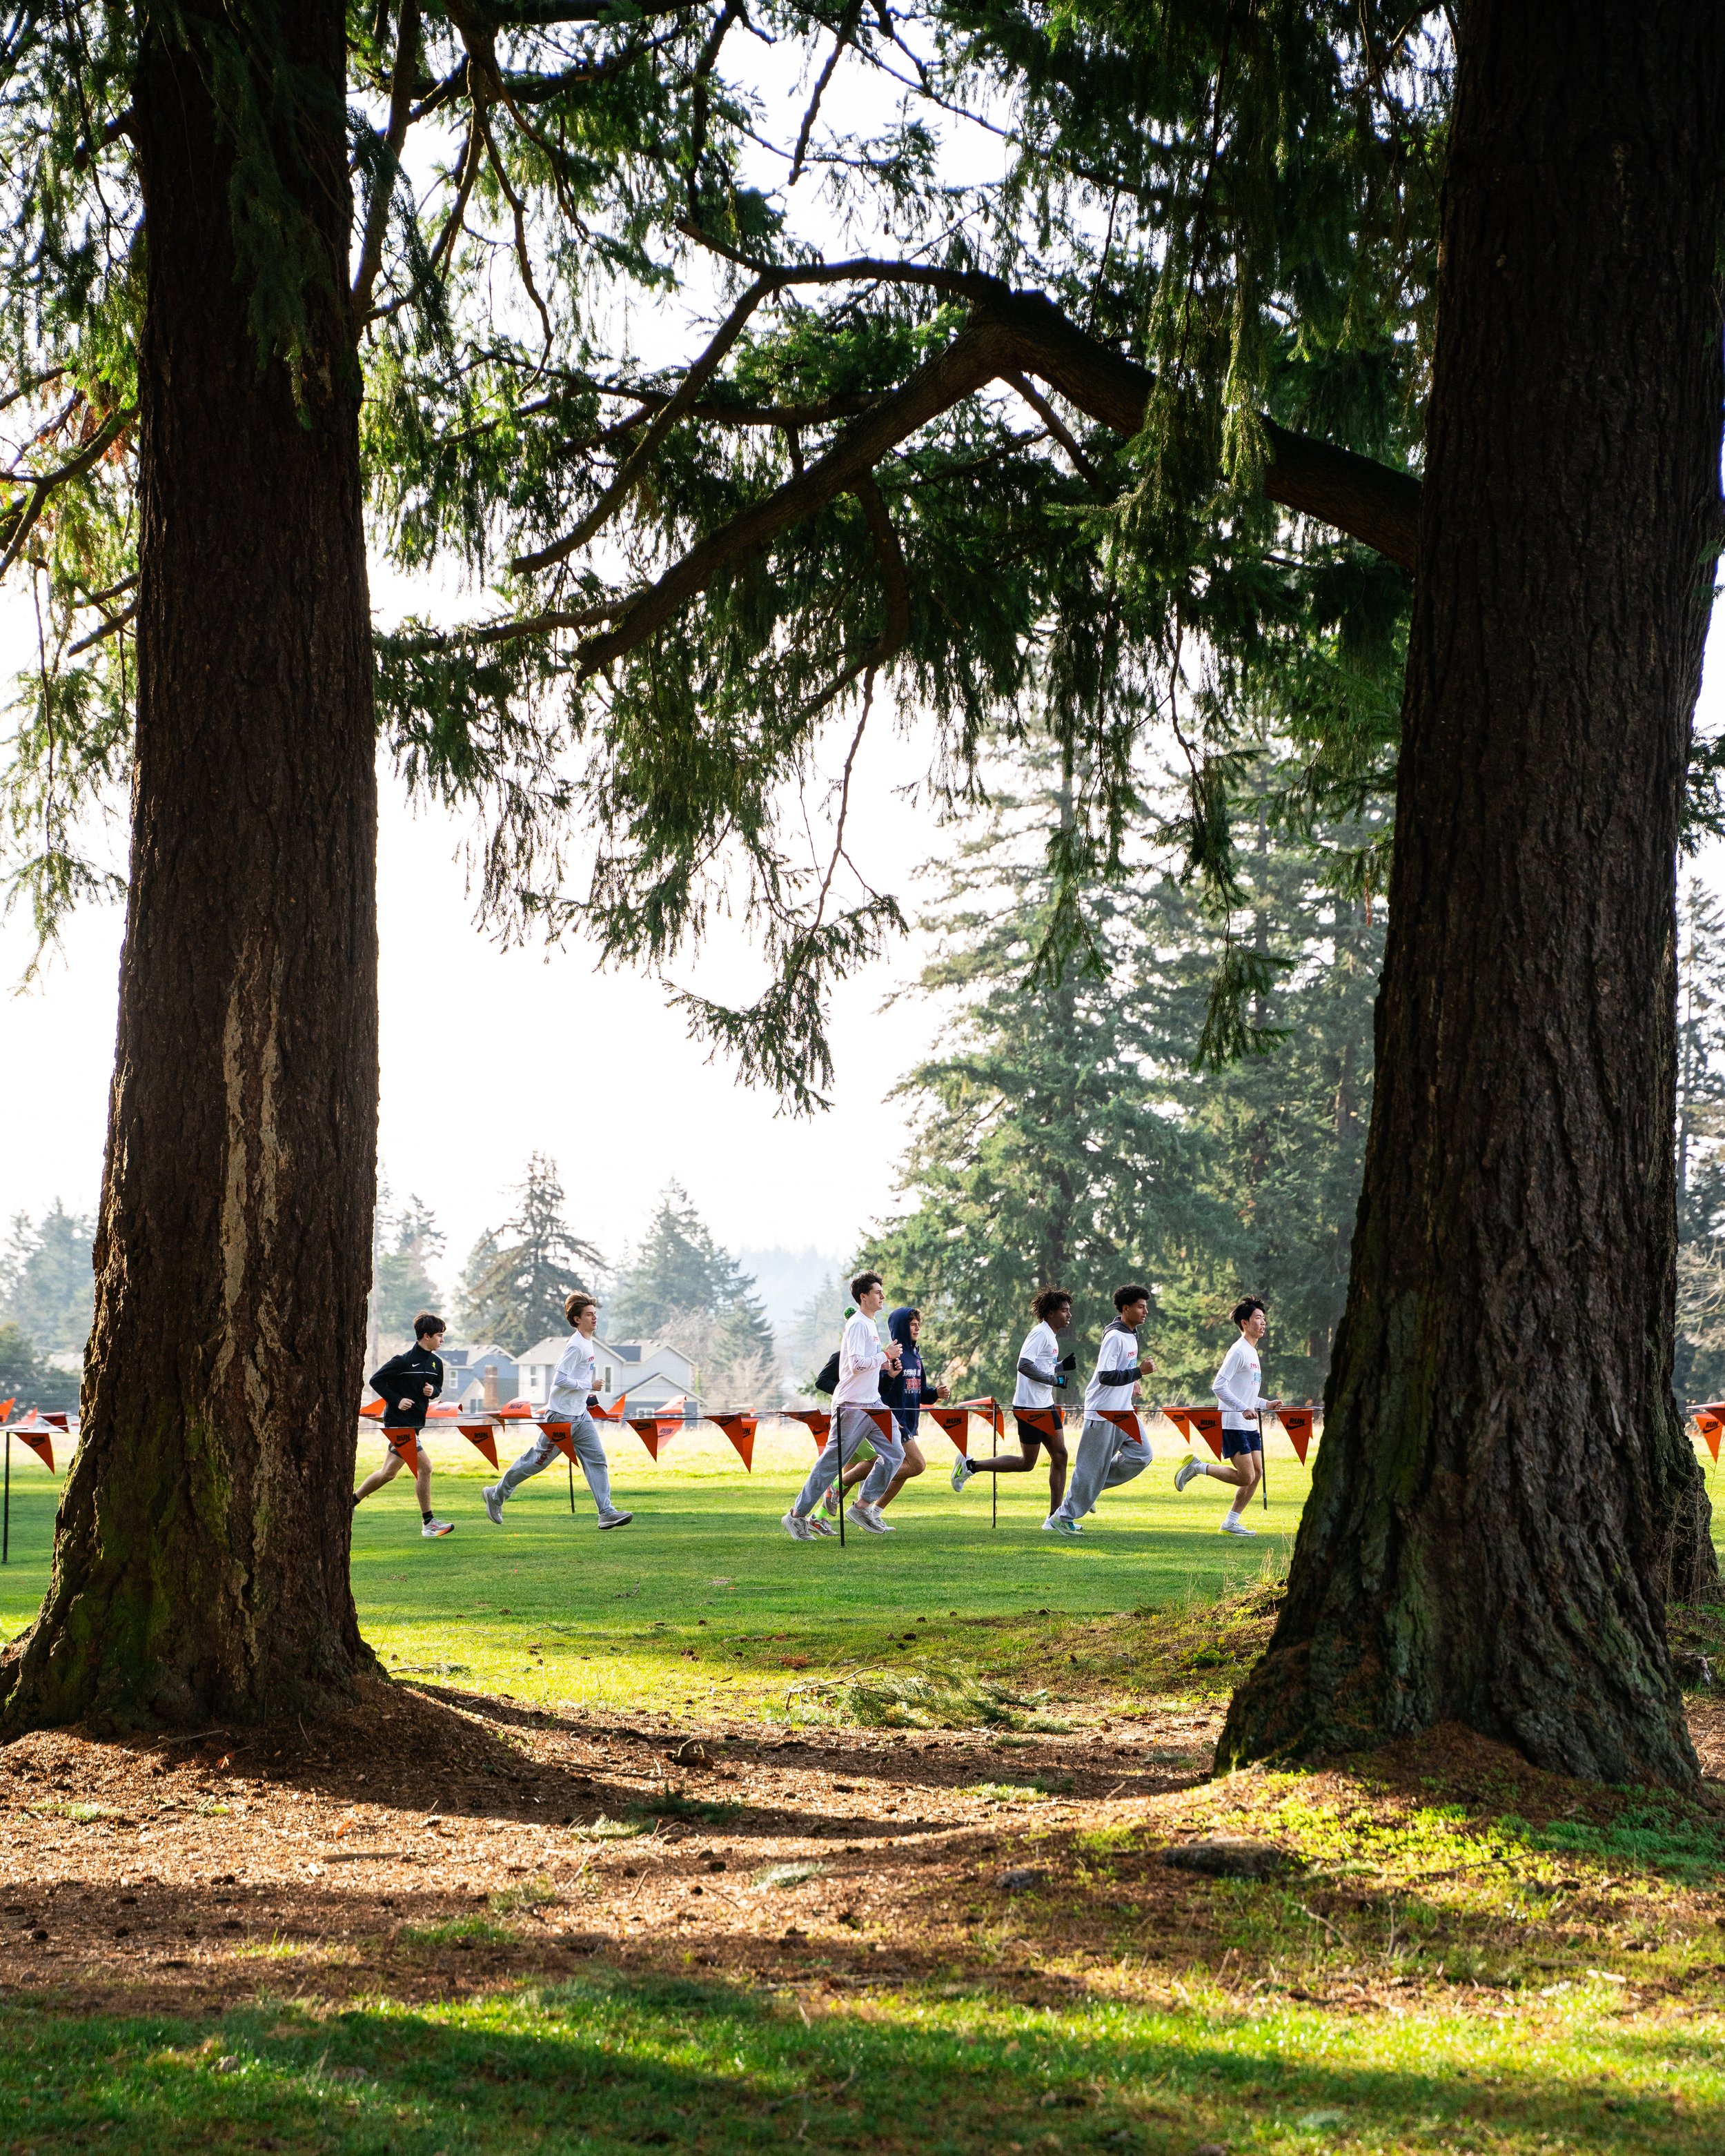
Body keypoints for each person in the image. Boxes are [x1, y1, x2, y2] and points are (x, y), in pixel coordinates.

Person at [482, 1292, 633, 1530]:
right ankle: (496, 1494)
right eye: (589, 1315)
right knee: (536, 1461)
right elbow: (561, 1379)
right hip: (561, 1417)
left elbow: (574, 1380)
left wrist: (586, 1396)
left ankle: (606, 1512)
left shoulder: (587, 1342)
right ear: (576, 1319)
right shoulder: (576, 1346)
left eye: (595, 1314)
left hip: (580, 1414)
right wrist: (588, 1385)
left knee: (597, 1460)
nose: (595, 1319)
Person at [782, 1272, 903, 1540]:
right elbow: (856, 1364)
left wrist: (886, 1366)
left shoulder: (870, 1324)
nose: (882, 1295)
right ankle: (796, 1516)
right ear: (863, 1297)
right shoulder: (858, 1324)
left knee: (896, 1454)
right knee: (829, 1465)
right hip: (851, 1406)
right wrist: (885, 1354)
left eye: (882, 1291)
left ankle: (861, 1507)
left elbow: (865, 1364)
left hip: (873, 1403)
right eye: (877, 1292)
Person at [1045, 1284, 1156, 1538]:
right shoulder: (1115, 1336)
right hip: (1104, 1414)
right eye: (1141, 1306)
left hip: (1123, 1411)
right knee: (1088, 1470)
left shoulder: (1131, 1333)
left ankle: (1087, 1493)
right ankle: (1062, 1518)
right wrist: (1139, 1372)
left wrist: (1132, 1382)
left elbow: (1120, 1369)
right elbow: (1105, 1376)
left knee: (1142, 1455)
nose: (1145, 1311)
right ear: (1126, 1309)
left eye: (1146, 1306)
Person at [952, 1287, 1074, 1514]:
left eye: (1069, 1311)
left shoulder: (1050, 1336)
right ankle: (970, 1466)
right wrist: (1054, 1380)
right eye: (1064, 1310)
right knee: (1027, 1464)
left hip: (1044, 1404)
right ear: (1049, 1313)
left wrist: (1061, 1367)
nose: (1069, 1315)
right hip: (1030, 1407)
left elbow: (1042, 1367)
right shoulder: (1040, 1333)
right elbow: (1024, 1365)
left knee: (1060, 1455)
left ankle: (1055, 1517)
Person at [827, 1305, 949, 1520]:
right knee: (915, 1465)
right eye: (913, 1324)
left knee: (902, 1466)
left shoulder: (915, 1356)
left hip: (909, 1421)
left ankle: (872, 1512)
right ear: (902, 1327)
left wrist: (935, 1393)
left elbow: (919, 1393)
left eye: (919, 1324)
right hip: (891, 1420)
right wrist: (890, 1417)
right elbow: (879, 1390)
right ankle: (847, 1493)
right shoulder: (892, 1356)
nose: (918, 1328)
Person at [1175, 1295, 1279, 1534]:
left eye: (1264, 1319)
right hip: (1233, 1422)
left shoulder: (1253, 1353)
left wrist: (1266, 1404)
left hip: (1248, 1424)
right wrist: (1243, 1408)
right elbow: (1219, 1386)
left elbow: (1247, 1395)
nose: (1263, 1323)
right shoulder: (1239, 1351)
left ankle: (1231, 1522)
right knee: (1246, 1477)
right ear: (1245, 1323)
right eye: (1258, 1318)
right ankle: (1198, 1467)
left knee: (1257, 1473)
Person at [355, 1313, 455, 1536]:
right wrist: (397, 1400)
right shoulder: (402, 1361)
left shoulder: (436, 1363)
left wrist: (433, 1391)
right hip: (399, 1425)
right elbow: (376, 1381)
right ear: (426, 1336)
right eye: (440, 1336)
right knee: (425, 1467)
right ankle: (429, 1523)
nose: (442, 1340)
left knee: (388, 1473)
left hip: (415, 1424)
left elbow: (437, 1388)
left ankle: (350, 1503)